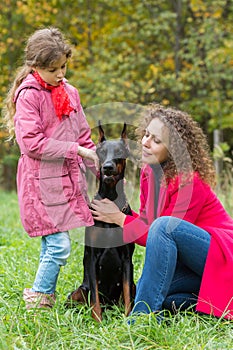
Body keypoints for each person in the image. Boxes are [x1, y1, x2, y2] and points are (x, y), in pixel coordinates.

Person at [91, 103, 233, 321]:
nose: (146, 143)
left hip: (221, 256)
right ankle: (210, 305)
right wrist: (119, 210)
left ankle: (140, 319)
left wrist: (119, 219)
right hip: (195, 265)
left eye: (156, 140)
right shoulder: (149, 173)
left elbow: (161, 232)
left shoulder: (189, 182)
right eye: (146, 134)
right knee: (162, 296)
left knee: (164, 226)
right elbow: (150, 229)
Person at [3, 27, 99, 309]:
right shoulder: (28, 96)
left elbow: (83, 135)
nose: (60, 74)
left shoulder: (70, 92)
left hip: (66, 182)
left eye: (63, 66)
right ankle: (39, 297)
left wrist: (100, 167)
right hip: (40, 184)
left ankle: (43, 296)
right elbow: (31, 143)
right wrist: (75, 150)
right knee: (59, 246)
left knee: (52, 245)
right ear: (35, 66)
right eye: (53, 69)